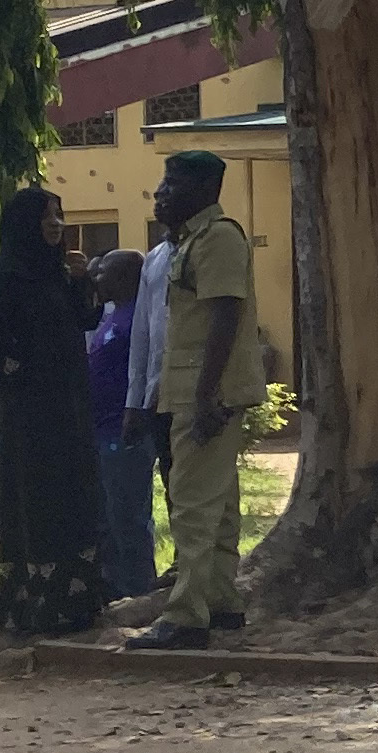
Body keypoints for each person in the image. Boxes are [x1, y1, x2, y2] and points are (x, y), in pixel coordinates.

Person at [130, 150, 265, 651]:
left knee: (191, 502)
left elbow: (225, 315)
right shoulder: (186, 242)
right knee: (220, 502)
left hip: (203, 394)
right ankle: (222, 602)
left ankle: (186, 616)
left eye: (171, 183)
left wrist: (208, 395)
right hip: (188, 389)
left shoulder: (219, 238)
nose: (160, 193)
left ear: (202, 188)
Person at [0, 188, 106, 638]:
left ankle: (76, 601)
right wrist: (10, 367)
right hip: (31, 411)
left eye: (60, 214)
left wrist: (82, 282)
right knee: (37, 498)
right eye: (46, 216)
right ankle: (36, 602)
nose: (56, 223)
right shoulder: (5, 274)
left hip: (70, 407)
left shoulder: (57, 274)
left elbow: (85, 321)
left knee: (74, 494)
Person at [88, 246, 158, 599]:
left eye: (104, 273)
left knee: (128, 514)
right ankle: (114, 587)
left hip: (123, 430)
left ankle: (137, 588)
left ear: (125, 277)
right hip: (101, 430)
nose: (96, 277)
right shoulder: (110, 315)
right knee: (110, 516)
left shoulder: (136, 319)